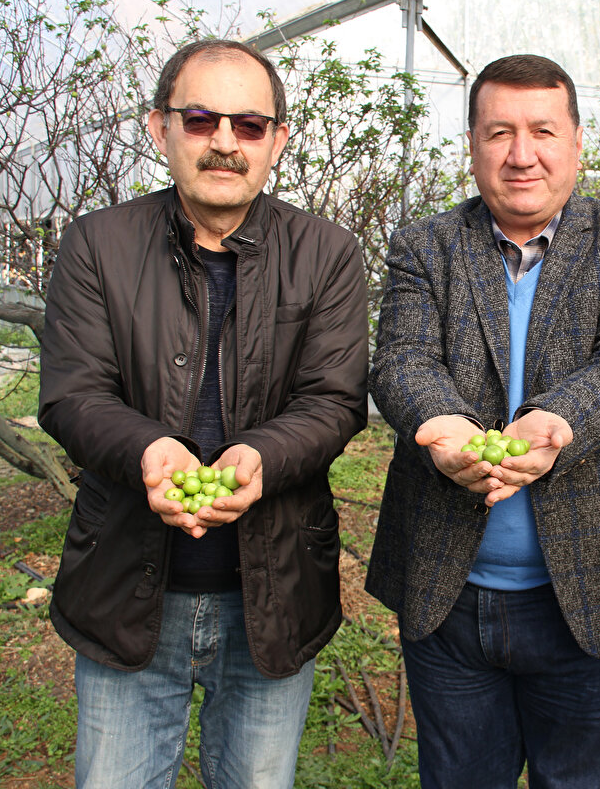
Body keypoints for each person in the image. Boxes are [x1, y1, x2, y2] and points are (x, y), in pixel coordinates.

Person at [38, 39, 368, 788]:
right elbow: (73, 393)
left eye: (249, 125)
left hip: (273, 595)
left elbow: (334, 399)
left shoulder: (325, 253)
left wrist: (261, 456)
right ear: (160, 129)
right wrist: (151, 449)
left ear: (278, 140)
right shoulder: (98, 244)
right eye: (200, 119)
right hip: (126, 590)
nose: (225, 142)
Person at [367, 54, 600, 788]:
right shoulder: (425, 247)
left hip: (595, 593)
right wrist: (443, 428)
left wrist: (557, 422)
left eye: (542, 130)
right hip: (451, 595)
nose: (521, 154)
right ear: (473, 144)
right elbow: (402, 360)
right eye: (499, 132)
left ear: (577, 141)